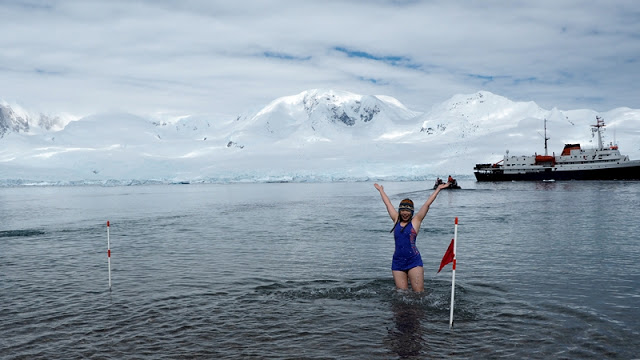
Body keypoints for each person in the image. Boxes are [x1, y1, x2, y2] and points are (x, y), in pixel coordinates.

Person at [374, 182, 450, 292]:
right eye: (403, 210)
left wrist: (438, 189)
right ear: (400, 211)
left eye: (408, 211)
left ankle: (418, 310)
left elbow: (427, 205)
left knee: (419, 293)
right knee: (402, 295)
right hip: (397, 262)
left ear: (412, 211)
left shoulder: (416, 221)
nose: (405, 213)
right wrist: (381, 190)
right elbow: (388, 204)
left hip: (414, 261)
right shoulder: (396, 220)